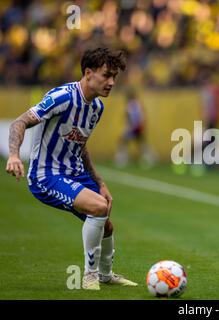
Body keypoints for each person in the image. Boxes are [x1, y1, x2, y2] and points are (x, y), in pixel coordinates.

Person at [5, 47, 138, 290]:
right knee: (98, 207)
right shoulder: (62, 97)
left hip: (74, 172)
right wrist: (14, 155)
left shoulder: (97, 108)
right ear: (88, 73)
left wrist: (100, 182)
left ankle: (106, 276)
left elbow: (81, 145)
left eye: (114, 77)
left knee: (106, 221)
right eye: (106, 75)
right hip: (46, 175)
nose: (111, 82)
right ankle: (90, 276)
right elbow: (20, 121)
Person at [115, 88, 157, 168]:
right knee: (141, 143)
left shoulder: (131, 104)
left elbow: (131, 116)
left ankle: (121, 159)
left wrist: (130, 125)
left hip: (134, 127)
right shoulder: (137, 103)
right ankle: (151, 158)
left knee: (123, 141)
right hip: (137, 126)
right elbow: (141, 115)